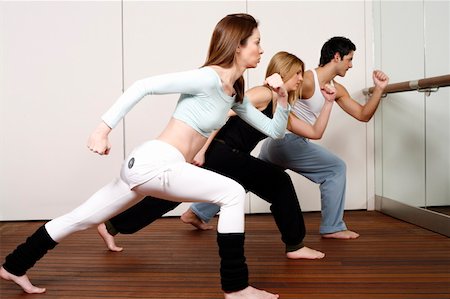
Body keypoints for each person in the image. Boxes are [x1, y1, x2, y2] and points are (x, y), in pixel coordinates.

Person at [0, 13, 289, 299]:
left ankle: (15, 264)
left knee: (79, 219)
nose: (262, 50)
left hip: (148, 166)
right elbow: (143, 86)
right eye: (257, 42)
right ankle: (237, 287)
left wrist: (283, 98)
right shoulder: (207, 78)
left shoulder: (234, 94)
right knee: (234, 193)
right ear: (238, 45)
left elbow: (275, 130)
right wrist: (102, 130)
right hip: (158, 161)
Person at [97, 51, 336, 260]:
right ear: (284, 73)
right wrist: (200, 150)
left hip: (227, 155)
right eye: (298, 74)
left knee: (171, 195)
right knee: (279, 182)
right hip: (220, 150)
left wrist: (328, 103)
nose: (301, 79)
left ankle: (112, 226)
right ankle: (295, 245)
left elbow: (315, 132)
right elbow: (220, 114)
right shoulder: (262, 94)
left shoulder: (282, 109)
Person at [259, 36, 389, 239]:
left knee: (249, 175)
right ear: (337, 57)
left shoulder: (336, 89)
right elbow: (276, 97)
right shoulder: (307, 80)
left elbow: (363, 115)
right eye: (349, 59)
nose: (351, 65)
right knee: (335, 169)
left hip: (274, 146)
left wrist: (379, 89)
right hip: (287, 142)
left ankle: (198, 213)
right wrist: (290, 124)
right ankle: (333, 227)